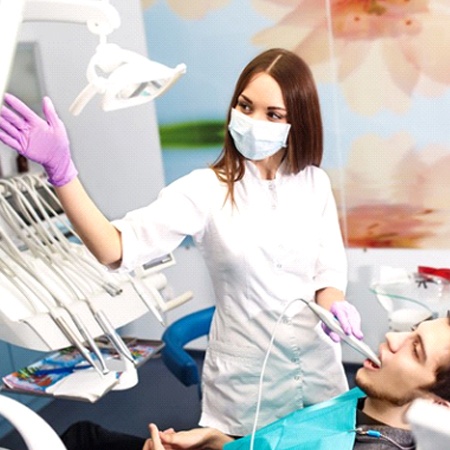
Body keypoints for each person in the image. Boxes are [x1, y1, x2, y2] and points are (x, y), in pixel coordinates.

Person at [0, 48, 363, 436]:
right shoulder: (205, 190)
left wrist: (335, 305)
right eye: (245, 106)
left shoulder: (314, 184)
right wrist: (62, 172)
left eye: (273, 114)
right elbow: (115, 248)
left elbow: (326, 271)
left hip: (319, 378)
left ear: (297, 121)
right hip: (246, 391)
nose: (254, 121)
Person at [60, 315, 450, 450]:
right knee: (84, 436)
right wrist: (217, 442)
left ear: (440, 405)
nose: (393, 338)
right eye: (412, 329)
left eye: (415, 349)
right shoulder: (371, 402)